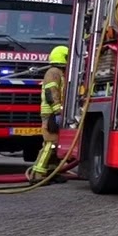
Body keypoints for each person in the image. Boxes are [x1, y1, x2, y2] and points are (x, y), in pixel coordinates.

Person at [26, 45, 69, 183]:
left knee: (56, 144)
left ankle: (52, 172)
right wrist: (57, 111)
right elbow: (51, 93)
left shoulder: (59, 72)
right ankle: (37, 174)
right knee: (50, 144)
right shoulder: (53, 72)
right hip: (50, 114)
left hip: (54, 113)